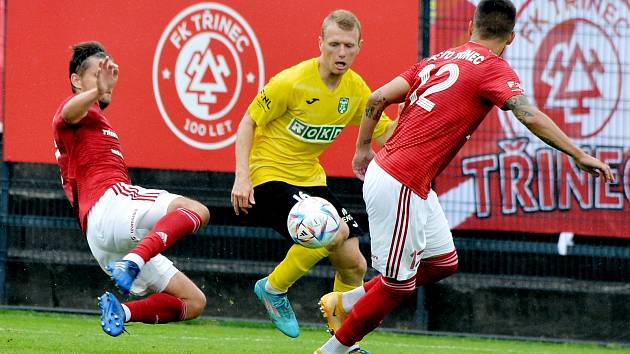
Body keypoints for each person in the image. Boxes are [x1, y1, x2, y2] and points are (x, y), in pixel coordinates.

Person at [314, 1, 615, 353]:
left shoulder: (438, 58)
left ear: (471, 25)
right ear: (512, 38)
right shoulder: (493, 68)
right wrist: (578, 153)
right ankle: (333, 350)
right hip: (400, 181)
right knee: (397, 285)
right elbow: (528, 114)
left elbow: (378, 97)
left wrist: (362, 148)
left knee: (443, 262)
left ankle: (347, 302)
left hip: (409, 180)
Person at [230, 9, 396, 345]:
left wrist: (418, 121)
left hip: (311, 181)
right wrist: (242, 177)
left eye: (349, 45)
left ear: (360, 46)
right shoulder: (290, 82)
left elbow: (384, 132)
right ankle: (273, 288)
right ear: (320, 42)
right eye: (334, 44)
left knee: (354, 264)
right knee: (329, 231)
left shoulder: (355, 89)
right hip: (269, 175)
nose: (341, 52)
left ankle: (342, 343)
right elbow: (248, 122)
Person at [52, 42, 211, 337]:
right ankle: (135, 261)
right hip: (109, 204)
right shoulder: (75, 112)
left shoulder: (95, 119)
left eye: (109, 73)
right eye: (99, 72)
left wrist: (96, 92)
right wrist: (96, 91)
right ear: (76, 80)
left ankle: (121, 311)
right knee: (196, 210)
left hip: (101, 239)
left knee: (193, 301)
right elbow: (66, 114)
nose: (107, 79)